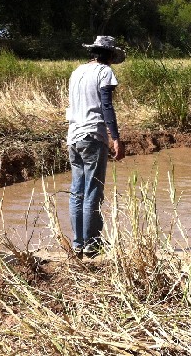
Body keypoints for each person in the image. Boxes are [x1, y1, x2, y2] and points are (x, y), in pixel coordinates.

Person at [66, 36, 126, 258]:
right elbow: (106, 106)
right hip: (93, 135)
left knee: (77, 191)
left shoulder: (77, 72)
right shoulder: (104, 72)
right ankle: (92, 243)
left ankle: (78, 243)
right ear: (109, 56)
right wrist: (116, 137)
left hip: (73, 137)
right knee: (93, 190)